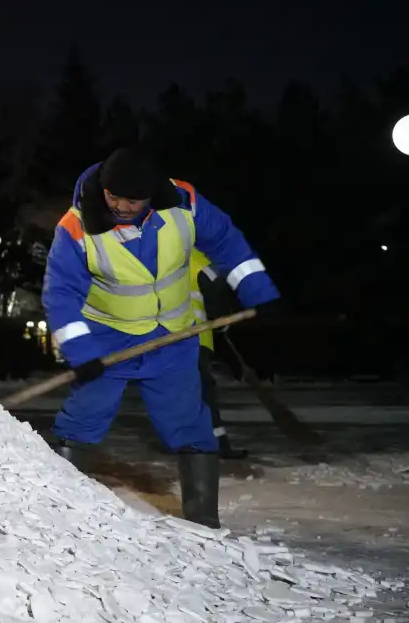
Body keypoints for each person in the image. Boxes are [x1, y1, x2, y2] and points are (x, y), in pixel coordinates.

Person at [41, 147, 280, 528]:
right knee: (83, 418)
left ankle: (203, 520)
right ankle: (55, 514)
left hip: (172, 337)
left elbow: (226, 243)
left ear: (152, 194)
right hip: (106, 340)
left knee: (189, 421)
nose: (120, 206)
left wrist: (258, 291)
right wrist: (80, 350)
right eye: (112, 196)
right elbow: (61, 293)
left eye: (132, 199)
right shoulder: (75, 227)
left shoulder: (186, 203)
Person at [191, 248, 250, 459]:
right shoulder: (199, 261)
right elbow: (215, 292)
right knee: (203, 393)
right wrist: (221, 322)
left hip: (161, 342)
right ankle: (216, 445)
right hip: (194, 341)